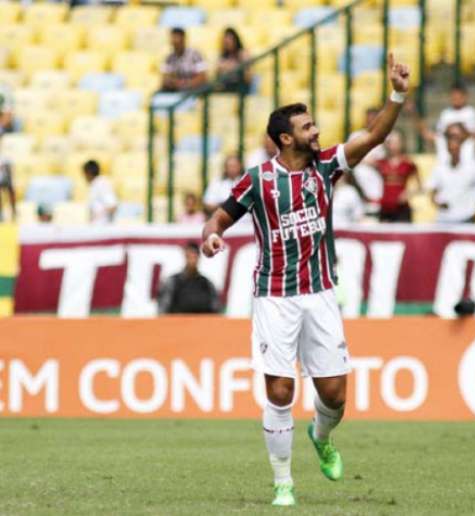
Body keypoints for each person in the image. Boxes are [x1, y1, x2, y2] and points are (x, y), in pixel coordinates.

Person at [200, 53, 410, 507]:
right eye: (308, 127)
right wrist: (212, 237)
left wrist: (397, 93)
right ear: (285, 137)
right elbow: (218, 218)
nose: (317, 132)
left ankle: (322, 436)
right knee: (280, 389)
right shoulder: (257, 181)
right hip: (274, 296)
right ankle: (283, 483)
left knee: (333, 395)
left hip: (320, 293)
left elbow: (375, 136)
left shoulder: (328, 165)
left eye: (315, 125)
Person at [426, 123, 475, 224]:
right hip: (444, 220)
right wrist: (438, 204)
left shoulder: (473, 167)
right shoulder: (439, 168)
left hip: (468, 218)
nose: (453, 149)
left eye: (456, 144)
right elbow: (432, 193)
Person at [157, 242, 220, 314]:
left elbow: (216, 310)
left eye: (194, 256)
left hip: (202, 324)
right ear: (185, 256)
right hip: (177, 324)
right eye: (189, 256)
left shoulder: (207, 284)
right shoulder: (172, 282)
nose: (192, 260)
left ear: (198, 258)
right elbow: (162, 310)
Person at [373, 131, 418, 222]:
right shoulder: (380, 162)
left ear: (402, 143)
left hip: (402, 209)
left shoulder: (408, 163)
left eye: (396, 142)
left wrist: (408, 193)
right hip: (385, 208)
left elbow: (419, 185)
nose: (393, 145)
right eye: (391, 142)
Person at [160, 27, 208, 92]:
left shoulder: (195, 55)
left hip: (194, 91)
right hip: (176, 91)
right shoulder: (169, 58)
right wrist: (173, 82)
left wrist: (187, 84)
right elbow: (165, 78)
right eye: (173, 38)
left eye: (177, 38)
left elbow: (203, 76)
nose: (174, 41)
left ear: (183, 39)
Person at [216, 27, 251, 93]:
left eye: (230, 40)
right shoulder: (223, 56)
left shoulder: (243, 53)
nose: (227, 43)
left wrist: (230, 67)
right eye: (225, 41)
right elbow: (219, 76)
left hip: (240, 86)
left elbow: (247, 78)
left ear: (235, 40)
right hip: (226, 86)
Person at [83, 160, 117, 224]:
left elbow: (112, 206)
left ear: (88, 173)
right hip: (97, 227)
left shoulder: (101, 184)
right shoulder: (95, 185)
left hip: (102, 228)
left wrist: (99, 216)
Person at [0, 155, 15, 222]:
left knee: (12, 193)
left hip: (7, 180)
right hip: (2, 179)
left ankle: (14, 211)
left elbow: (10, 172)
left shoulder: (6, 159)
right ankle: (1, 213)